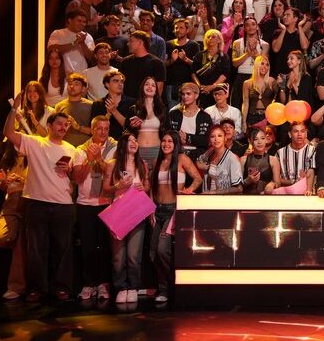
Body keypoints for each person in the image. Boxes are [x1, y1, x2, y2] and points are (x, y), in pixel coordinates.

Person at [3, 99, 83, 302]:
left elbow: (76, 178)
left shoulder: (71, 149)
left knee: (63, 249)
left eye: (66, 125)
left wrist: (70, 170)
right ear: (49, 125)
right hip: (36, 202)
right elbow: (9, 133)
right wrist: (14, 109)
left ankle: (62, 287)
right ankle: (37, 289)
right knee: (36, 250)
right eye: (59, 124)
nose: (63, 127)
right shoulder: (35, 142)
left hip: (63, 205)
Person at [149, 131, 201, 302]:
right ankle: (163, 288)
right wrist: (151, 209)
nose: (166, 144)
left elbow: (197, 179)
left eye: (170, 141)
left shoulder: (182, 159)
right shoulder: (157, 161)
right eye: (164, 141)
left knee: (162, 250)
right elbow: (152, 188)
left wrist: (188, 190)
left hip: (173, 211)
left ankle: (169, 288)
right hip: (157, 210)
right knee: (153, 253)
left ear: (175, 143)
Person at [71, 116, 117, 300]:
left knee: (105, 246)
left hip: (106, 202)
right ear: (92, 130)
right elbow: (77, 178)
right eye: (99, 128)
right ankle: (89, 283)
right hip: (85, 203)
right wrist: (89, 160)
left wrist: (99, 158)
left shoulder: (114, 149)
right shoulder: (80, 150)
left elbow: (113, 175)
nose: (103, 132)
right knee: (88, 246)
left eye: (106, 129)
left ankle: (104, 284)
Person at [101, 133, 149, 304]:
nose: (134, 143)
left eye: (135, 140)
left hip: (137, 212)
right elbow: (105, 188)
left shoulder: (142, 164)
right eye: (130, 140)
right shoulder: (113, 164)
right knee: (118, 257)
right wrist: (118, 185)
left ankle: (133, 287)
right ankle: (120, 287)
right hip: (119, 212)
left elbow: (147, 185)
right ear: (122, 144)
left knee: (133, 256)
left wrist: (144, 186)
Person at [230, 17, 270, 110]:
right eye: (247, 25)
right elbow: (234, 63)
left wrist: (254, 53)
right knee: (237, 104)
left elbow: (263, 64)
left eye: (253, 24)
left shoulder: (264, 45)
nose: (250, 27)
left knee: (253, 107)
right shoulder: (237, 43)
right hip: (241, 76)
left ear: (257, 27)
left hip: (257, 77)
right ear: (244, 28)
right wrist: (247, 54)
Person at [167, 83, 212, 162]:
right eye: (183, 94)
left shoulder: (205, 117)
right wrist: (178, 139)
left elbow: (206, 140)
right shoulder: (174, 114)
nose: (185, 97)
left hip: (198, 157)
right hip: (177, 154)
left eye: (188, 94)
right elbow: (167, 134)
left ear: (196, 95)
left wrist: (188, 138)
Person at [127, 77, 166, 168]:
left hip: (157, 150)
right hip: (138, 150)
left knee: (155, 176)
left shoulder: (162, 109)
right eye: (147, 84)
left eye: (153, 85)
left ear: (156, 91)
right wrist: (132, 127)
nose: (149, 87)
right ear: (142, 88)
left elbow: (167, 131)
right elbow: (126, 131)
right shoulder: (134, 109)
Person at [164, 18, 200, 109]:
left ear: (187, 30)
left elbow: (198, 66)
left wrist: (185, 59)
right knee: (172, 110)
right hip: (171, 85)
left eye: (181, 28)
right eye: (176, 28)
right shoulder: (168, 44)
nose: (178, 30)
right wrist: (172, 60)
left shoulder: (194, 45)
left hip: (188, 85)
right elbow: (163, 65)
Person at [197, 124, 243, 194]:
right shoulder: (210, 152)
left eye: (219, 136)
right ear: (209, 139)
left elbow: (239, 188)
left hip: (223, 199)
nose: (216, 139)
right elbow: (198, 161)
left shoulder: (232, 158)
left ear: (225, 138)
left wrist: (215, 192)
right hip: (207, 197)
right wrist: (203, 166)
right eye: (212, 136)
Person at [119, 31, 166, 98]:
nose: (128, 44)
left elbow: (158, 90)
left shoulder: (157, 64)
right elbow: (120, 83)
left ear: (140, 42)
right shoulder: (125, 61)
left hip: (146, 102)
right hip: (127, 102)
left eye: (131, 41)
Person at [192, 29, 231, 109]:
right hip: (202, 90)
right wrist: (199, 86)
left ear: (219, 40)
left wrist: (212, 86)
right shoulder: (199, 55)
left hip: (217, 90)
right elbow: (193, 73)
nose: (210, 39)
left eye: (213, 37)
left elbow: (224, 74)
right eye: (208, 37)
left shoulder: (223, 57)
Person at [47, 9, 94, 74]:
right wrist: (74, 43)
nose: (82, 24)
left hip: (81, 75)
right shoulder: (58, 33)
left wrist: (82, 43)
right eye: (79, 21)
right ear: (70, 20)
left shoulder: (87, 36)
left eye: (84, 22)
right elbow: (51, 49)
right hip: (61, 75)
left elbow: (92, 57)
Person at [90, 71, 134, 141]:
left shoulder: (132, 103)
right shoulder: (98, 104)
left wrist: (114, 111)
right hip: (104, 143)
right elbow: (94, 129)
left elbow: (131, 128)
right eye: (116, 81)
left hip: (125, 143)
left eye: (122, 81)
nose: (120, 84)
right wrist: (108, 115)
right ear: (107, 84)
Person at [54, 73, 93, 147]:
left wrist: (78, 127)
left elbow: (96, 131)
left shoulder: (91, 105)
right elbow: (55, 130)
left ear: (83, 89)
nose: (72, 86)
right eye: (70, 84)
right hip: (65, 147)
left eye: (76, 84)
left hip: (86, 147)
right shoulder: (59, 106)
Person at [276, 122, 316, 192]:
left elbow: (311, 172)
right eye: (296, 131)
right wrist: (293, 182)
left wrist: (308, 190)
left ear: (306, 134)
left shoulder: (312, 150)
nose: (299, 134)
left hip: (306, 193)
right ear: (289, 134)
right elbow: (276, 178)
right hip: (286, 193)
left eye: (302, 131)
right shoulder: (280, 153)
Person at [240, 128, 281, 194]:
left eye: (262, 138)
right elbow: (238, 187)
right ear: (249, 141)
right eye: (255, 139)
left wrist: (272, 184)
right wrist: (247, 181)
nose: (259, 142)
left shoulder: (273, 160)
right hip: (247, 198)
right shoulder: (243, 160)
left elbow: (278, 183)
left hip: (266, 198)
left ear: (266, 140)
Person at [271, 7, 309, 77]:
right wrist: (283, 30)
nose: (284, 17)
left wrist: (300, 26)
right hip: (280, 72)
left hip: (296, 72)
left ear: (295, 19)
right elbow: (275, 49)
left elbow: (305, 46)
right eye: (284, 15)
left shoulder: (300, 33)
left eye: (288, 15)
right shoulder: (278, 32)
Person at [241, 55, 276, 130]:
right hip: (252, 117)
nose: (265, 67)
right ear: (257, 65)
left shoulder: (271, 81)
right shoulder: (247, 83)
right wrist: (243, 121)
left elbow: (278, 98)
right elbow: (245, 103)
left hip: (267, 117)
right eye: (262, 64)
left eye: (267, 65)